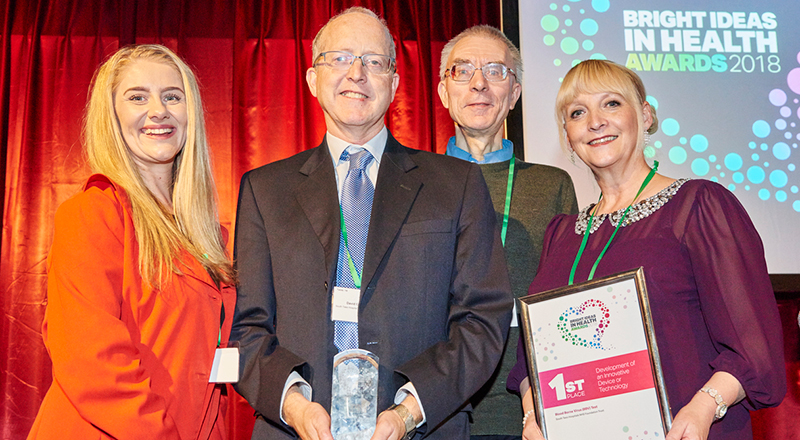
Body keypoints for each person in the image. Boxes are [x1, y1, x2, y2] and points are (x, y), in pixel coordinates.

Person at [231, 7, 513, 440]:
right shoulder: (265, 190)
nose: (357, 73)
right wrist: (296, 407)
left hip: (423, 428)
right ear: (312, 79)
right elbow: (248, 327)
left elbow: (482, 319)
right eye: (340, 58)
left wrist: (407, 411)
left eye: (374, 62)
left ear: (395, 83)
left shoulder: (455, 185)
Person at [506, 59, 786, 440]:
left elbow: (753, 345)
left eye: (611, 104)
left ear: (646, 115)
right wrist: (532, 415)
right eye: (577, 112)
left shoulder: (698, 206)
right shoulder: (560, 234)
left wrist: (704, 407)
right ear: (568, 136)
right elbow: (533, 357)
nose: (595, 121)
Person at [27, 44, 237, 440]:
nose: (158, 110)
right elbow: (94, 362)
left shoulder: (209, 236)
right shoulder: (93, 215)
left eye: (172, 96)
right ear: (112, 117)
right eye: (137, 97)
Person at [437, 25, 577, 440]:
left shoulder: (552, 185)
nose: (479, 83)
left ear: (514, 94)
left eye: (496, 71)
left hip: (525, 410)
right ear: (444, 91)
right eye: (462, 71)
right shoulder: (413, 181)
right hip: (434, 405)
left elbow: (564, 303)